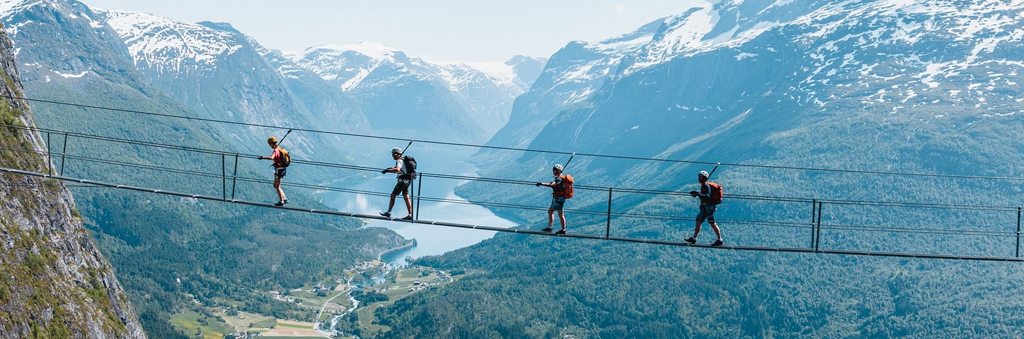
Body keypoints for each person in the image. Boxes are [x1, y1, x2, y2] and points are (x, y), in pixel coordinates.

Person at [686, 170, 723, 246]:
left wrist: (698, 194)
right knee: (698, 220)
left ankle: (720, 239)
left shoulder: (706, 186)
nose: (699, 178)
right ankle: (694, 238)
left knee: (712, 223)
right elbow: (704, 196)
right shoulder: (703, 185)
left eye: (701, 176)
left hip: (708, 207)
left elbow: (707, 196)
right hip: (704, 207)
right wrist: (697, 194)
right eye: (699, 176)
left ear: (704, 178)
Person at [380, 147, 413, 220]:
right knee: (406, 197)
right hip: (407, 181)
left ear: (397, 154)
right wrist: (390, 168)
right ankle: (410, 214)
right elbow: (400, 169)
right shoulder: (403, 160)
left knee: (393, 195)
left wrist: (387, 171)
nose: (393, 156)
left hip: (402, 181)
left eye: (393, 154)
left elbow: (397, 169)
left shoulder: (399, 161)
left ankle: (388, 212)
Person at [536, 164, 570, 234]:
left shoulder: (559, 179)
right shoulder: (560, 178)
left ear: (558, 171)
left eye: (555, 170)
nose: (553, 171)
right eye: (553, 170)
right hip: (559, 199)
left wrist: (541, 183)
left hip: (559, 199)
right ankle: (552, 228)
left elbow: (552, 185)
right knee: (551, 212)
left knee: (559, 214)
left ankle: (562, 229)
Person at [257, 136, 289, 207]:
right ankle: (285, 198)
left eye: (270, 144)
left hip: (279, 169)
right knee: (276, 185)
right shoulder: (280, 149)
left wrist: (262, 157)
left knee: (276, 186)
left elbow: (272, 157)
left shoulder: (276, 150)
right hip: (283, 169)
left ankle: (281, 201)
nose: (270, 146)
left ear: (272, 143)